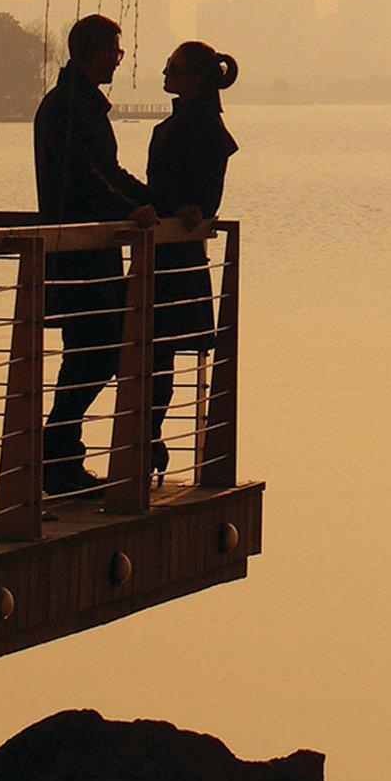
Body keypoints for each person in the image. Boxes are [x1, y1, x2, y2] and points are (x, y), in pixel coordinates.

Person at [31, 13, 150, 496]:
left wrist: (149, 200)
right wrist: (131, 207)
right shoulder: (67, 107)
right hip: (78, 248)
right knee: (92, 352)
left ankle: (59, 454)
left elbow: (108, 171)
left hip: (92, 247)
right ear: (93, 52)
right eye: (115, 53)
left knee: (90, 352)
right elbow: (86, 177)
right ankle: (56, 455)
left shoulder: (77, 105)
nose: (118, 62)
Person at [142, 42, 239, 471]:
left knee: (160, 350)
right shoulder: (175, 126)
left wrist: (187, 207)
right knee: (152, 352)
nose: (166, 74)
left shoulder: (204, 131)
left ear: (194, 79)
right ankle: (147, 436)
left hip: (177, 256)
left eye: (173, 68)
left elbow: (206, 198)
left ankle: (148, 435)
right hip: (162, 252)